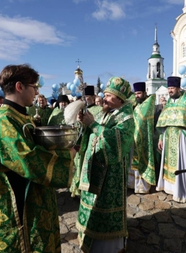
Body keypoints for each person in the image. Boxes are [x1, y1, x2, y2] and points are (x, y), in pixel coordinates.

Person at [0, 64, 76, 253]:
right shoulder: (4, 120)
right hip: (20, 203)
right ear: (20, 86)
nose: (36, 91)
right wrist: (68, 155)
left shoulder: (19, 115)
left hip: (34, 193)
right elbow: (27, 159)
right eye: (34, 87)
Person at [76, 77, 134, 253]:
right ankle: (89, 239)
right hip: (94, 167)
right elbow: (91, 131)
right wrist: (84, 124)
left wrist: (92, 125)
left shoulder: (127, 118)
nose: (105, 98)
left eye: (109, 96)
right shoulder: (103, 112)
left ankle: (108, 246)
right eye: (105, 94)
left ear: (120, 100)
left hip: (111, 172)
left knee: (104, 206)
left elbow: (115, 141)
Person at [156, 76, 186, 203]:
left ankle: (181, 191)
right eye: (169, 88)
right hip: (168, 137)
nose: (170, 91)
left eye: (172, 88)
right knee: (168, 164)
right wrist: (161, 138)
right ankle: (170, 188)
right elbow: (162, 123)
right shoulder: (168, 104)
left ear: (178, 88)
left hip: (181, 139)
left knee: (181, 163)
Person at [70, 85, 101, 197]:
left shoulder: (99, 109)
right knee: (78, 165)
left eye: (87, 96)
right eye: (84, 96)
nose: (85, 98)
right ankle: (77, 189)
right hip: (80, 142)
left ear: (93, 96)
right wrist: (78, 121)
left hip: (91, 142)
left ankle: (86, 190)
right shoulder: (82, 110)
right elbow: (78, 127)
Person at [128, 82, 156, 194]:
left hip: (144, 139)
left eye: (139, 93)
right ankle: (132, 184)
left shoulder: (149, 103)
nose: (137, 96)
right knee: (133, 161)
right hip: (134, 138)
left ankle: (143, 187)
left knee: (142, 161)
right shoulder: (137, 106)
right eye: (135, 93)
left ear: (145, 93)